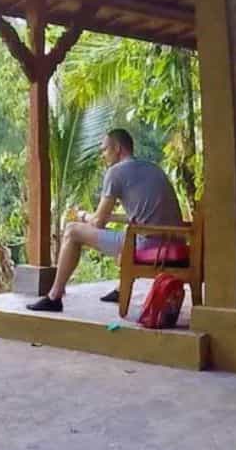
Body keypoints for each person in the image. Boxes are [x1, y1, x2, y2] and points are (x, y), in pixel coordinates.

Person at [26, 128, 184, 312]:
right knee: (126, 233)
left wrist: (82, 215)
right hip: (174, 241)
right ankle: (120, 289)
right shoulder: (153, 168)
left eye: (104, 149)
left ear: (117, 148)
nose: (103, 155)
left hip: (147, 246)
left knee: (71, 231)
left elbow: (97, 223)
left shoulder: (115, 172)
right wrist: (111, 217)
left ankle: (54, 296)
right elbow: (143, 217)